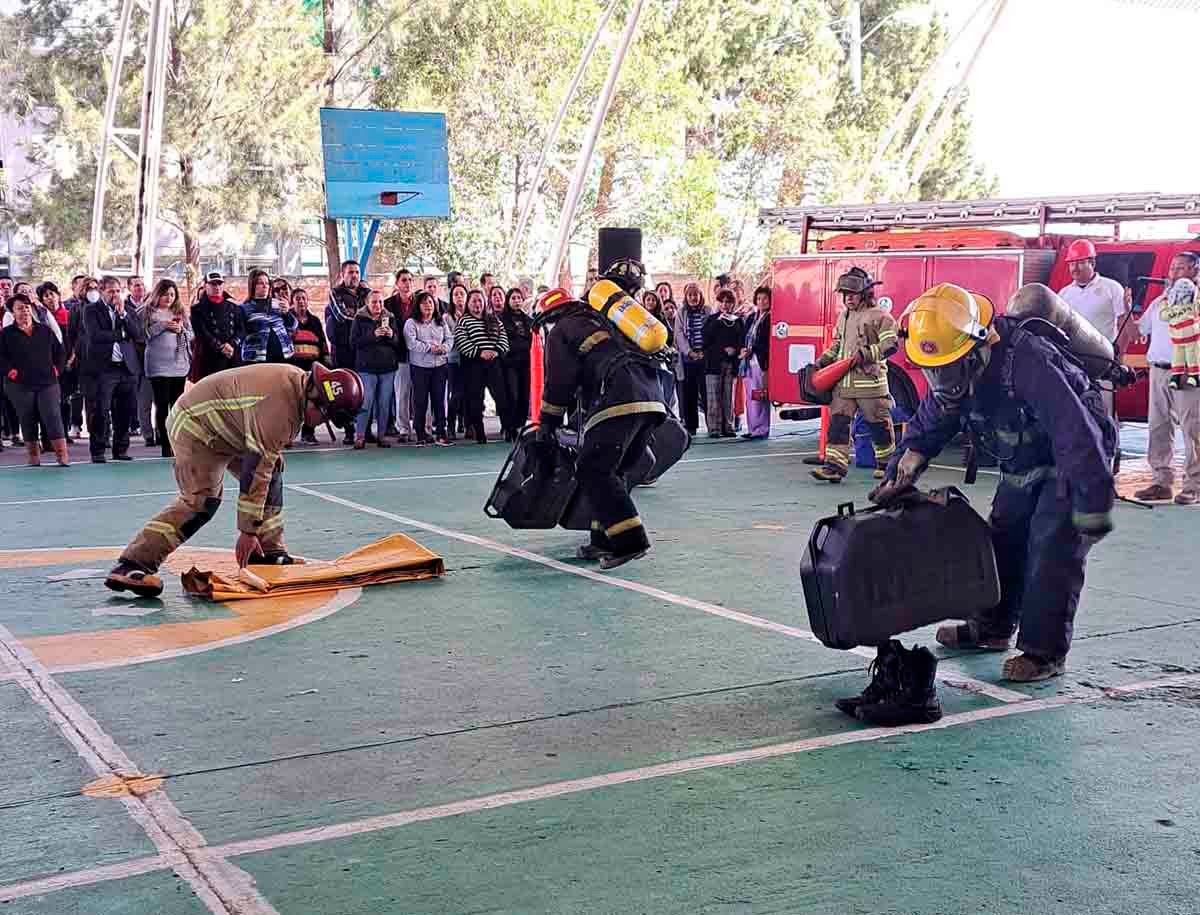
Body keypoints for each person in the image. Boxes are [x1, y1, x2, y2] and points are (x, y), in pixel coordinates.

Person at [870, 282, 1115, 684]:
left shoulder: (1029, 362)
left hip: (1071, 456)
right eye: (933, 370)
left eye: (947, 368)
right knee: (1003, 539)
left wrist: (1092, 502)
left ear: (977, 348)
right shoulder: (954, 371)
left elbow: (1077, 431)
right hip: (1022, 457)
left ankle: (1043, 652)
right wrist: (904, 466)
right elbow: (930, 423)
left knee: (1052, 548)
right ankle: (991, 629)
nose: (940, 379)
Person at [104, 363, 364, 597]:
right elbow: (255, 470)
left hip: (227, 428)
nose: (322, 423)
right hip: (195, 426)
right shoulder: (281, 408)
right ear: (315, 399)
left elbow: (262, 458)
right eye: (326, 416)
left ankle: (269, 554)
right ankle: (132, 564)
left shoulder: (297, 385)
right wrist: (247, 531)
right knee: (201, 501)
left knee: (273, 468)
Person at [532, 262, 667, 571]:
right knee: (611, 469)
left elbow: (559, 383)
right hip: (651, 397)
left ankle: (630, 542)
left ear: (548, 318)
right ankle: (603, 540)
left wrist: (548, 423)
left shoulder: (560, 331)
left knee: (593, 470)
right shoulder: (604, 320)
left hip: (618, 398)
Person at [811, 267, 899, 483]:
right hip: (843, 385)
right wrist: (821, 362)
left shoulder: (881, 317)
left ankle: (887, 464)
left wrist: (868, 354)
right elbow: (837, 345)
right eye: (844, 294)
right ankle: (834, 467)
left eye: (852, 293)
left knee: (878, 426)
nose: (847, 298)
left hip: (870, 384)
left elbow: (891, 345)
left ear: (866, 293)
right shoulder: (844, 316)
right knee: (838, 425)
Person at [1133, 252, 1200, 504]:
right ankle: (1161, 482)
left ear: (1195, 272)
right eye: (1172, 268)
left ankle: (1195, 485)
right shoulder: (1160, 302)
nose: (1173, 272)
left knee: (1192, 429)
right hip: (1158, 371)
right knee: (1158, 427)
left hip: (1187, 371)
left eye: (1181, 268)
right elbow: (1140, 329)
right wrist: (1127, 307)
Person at [1057, 238, 1126, 448]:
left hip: (1103, 362)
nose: (1074, 268)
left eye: (1080, 263)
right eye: (1071, 263)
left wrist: (1119, 361)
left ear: (1092, 263)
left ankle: (1110, 454)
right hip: (1073, 364)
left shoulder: (1112, 288)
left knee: (1103, 413)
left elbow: (1124, 325)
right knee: (1077, 412)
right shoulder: (1064, 294)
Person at [81, 276, 145, 463]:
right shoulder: (91, 310)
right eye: (111, 291)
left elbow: (138, 334)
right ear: (101, 291)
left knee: (125, 410)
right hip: (104, 368)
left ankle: (121, 449)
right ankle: (98, 450)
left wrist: (123, 315)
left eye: (118, 291)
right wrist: (121, 335)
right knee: (101, 410)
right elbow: (95, 335)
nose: (115, 295)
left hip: (127, 367)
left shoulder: (128, 311)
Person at [0, 293, 68, 465]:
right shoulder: (6, 334)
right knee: (27, 417)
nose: (24, 311)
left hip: (47, 383)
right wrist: (10, 372)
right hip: (20, 385)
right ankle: (33, 456)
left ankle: (62, 456)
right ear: (12, 313)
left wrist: (57, 369)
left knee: (52, 416)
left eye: (27, 307)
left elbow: (60, 352)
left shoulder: (45, 330)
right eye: (20, 308)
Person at [143, 279, 193, 458]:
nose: (169, 298)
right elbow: (143, 334)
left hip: (178, 363)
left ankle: (178, 441)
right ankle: (165, 443)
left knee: (177, 406)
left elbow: (191, 334)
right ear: (158, 294)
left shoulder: (180, 312)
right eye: (165, 294)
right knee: (162, 405)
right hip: (157, 365)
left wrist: (181, 330)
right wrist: (162, 326)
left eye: (172, 294)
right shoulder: (147, 311)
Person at [455, 288, 509, 443]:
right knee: (475, 400)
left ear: (485, 302)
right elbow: (462, 342)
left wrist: (497, 351)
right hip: (473, 366)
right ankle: (479, 433)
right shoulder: (463, 321)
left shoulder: (494, 319)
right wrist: (479, 352)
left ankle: (507, 428)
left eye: (480, 300)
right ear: (468, 304)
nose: (477, 304)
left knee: (502, 397)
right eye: (473, 301)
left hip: (494, 364)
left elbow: (503, 338)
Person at [325, 260, 370, 444]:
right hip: (342, 350)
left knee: (362, 391)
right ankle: (349, 429)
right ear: (342, 275)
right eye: (351, 272)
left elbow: (376, 314)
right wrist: (364, 318)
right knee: (344, 393)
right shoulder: (335, 293)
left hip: (362, 350)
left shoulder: (366, 293)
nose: (354, 276)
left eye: (357, 273)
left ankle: (363, 430)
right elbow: (342, 316)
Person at [350, 289, 400, 449]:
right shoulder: (359, 318)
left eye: (380, 302)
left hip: (388, 368)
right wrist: (374, 335)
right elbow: (353, 343)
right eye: (374, 302)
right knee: (366, 401)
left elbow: (398, 342)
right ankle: (360, 436)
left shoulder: (390, 318)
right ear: (367, 303)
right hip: (366, 368)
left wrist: (391, 335)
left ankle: (382, 436)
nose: (378, 305)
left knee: (384, 403)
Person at [404, 290, 452, 446]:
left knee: (439, 400)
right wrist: (429, 348)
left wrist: (444, 348)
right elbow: (411, 343)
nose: (428, 305)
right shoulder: (411, 323)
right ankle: (420, 434)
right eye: (424, 302)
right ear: (418, 305)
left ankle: (441, 434)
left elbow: (450, 338)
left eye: (431, 302)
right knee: (420, 401)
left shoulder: (441, 322)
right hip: (420, 367)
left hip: (440, 366)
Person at [287, 287, 329, 445]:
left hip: (312, 369)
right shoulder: (287, 320)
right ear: (292, 302)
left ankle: (308, 432)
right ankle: (288, 435)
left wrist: (324, 364)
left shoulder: (315, 321)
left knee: (313, 402)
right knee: (291, 403)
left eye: (304, 298)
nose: (301, 301)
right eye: (298, 298)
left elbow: (323, 344)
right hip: (292, 369)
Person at [383, 269, 417, 442]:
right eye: (404, 280)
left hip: (420, 354)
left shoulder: (420, 301)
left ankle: (423, 428)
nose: (407, 283)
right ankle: (403, 429)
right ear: (397, 284)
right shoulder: (387, 304)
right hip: (400, 354)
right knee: (402, 393)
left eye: (410, 280)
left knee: (420, 394)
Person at [191, 271, 243, 380]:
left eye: (219, 283)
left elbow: (241, 329)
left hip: (232, 356)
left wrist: (231, 344)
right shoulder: (197, 309)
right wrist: (220, 347)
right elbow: (201, 332)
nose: (217, 287)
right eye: (213, 284)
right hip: (209, 358)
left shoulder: (234, 307)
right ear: (205, 286)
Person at [673, 282, 709, 437]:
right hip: (688, 360)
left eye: (696, 295)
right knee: (689, 394)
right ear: (686, 297)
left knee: (707, 393)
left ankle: (712, 425)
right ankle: (691, 426)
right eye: (690, 295)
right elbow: (679, 335)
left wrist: (704, 352)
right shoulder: (681, 312)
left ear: (700, 296)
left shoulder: (708, 310)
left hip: (705, 358)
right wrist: (689, 352)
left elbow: (712, 331)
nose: (693, 298)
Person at [240, 269, 297, 364]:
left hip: (284, 355)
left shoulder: (277, 304)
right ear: (252, 285)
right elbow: (240, 333)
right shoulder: (244, 308)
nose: (265, 286)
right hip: (256, 359)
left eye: (267, 283)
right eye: (260, 283)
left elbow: (293, 326)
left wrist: (287, 313)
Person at [499, 286, 533, 441]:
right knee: (512, 395)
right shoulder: (501, 319)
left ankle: (520, 425)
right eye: (513, 298)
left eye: (519, 298)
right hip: (510, 363)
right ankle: (509, 427)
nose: (517, 301)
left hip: (526, 363)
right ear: (508, 300)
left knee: (524, 396)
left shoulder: (529, 320)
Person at [740, 285, 772, 440]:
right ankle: (752, 428)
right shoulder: (752, 317)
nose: (762, 301)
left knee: (760, 396)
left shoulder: (771, 317)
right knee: (750, 397)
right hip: (747, 362)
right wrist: (743, 349)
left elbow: (768, 342)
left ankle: (762, 429)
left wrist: (752, 349)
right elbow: (743, 336)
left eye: (765, 298)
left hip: (761, 360)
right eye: (759, 298)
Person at [444, 283, 469, 439]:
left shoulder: (473, 314)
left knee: (469, 394)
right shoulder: (446, 318)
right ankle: (451, 424)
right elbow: (448, 339)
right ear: (451, 298)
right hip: (453, 360)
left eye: (462, 294)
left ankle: (466, 423)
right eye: (456, 294)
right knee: (456, 394)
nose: (459, 297)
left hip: (470, 360)